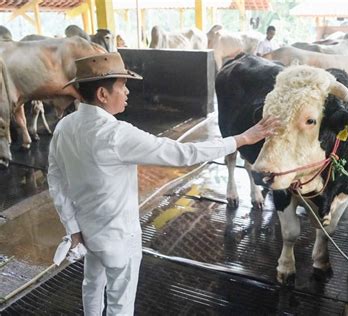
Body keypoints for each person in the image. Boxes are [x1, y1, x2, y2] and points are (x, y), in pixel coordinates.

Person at [48, 52, 279, 315]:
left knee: (91, 285)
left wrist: (73, 227)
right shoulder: (115, 135)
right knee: (120, 304)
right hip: (120, 238)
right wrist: (243, 138)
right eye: (123, 86)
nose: (127, 93)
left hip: (88, 235)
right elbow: (184, 154)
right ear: (102, 94)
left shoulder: (65, 126)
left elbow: (55, 178)